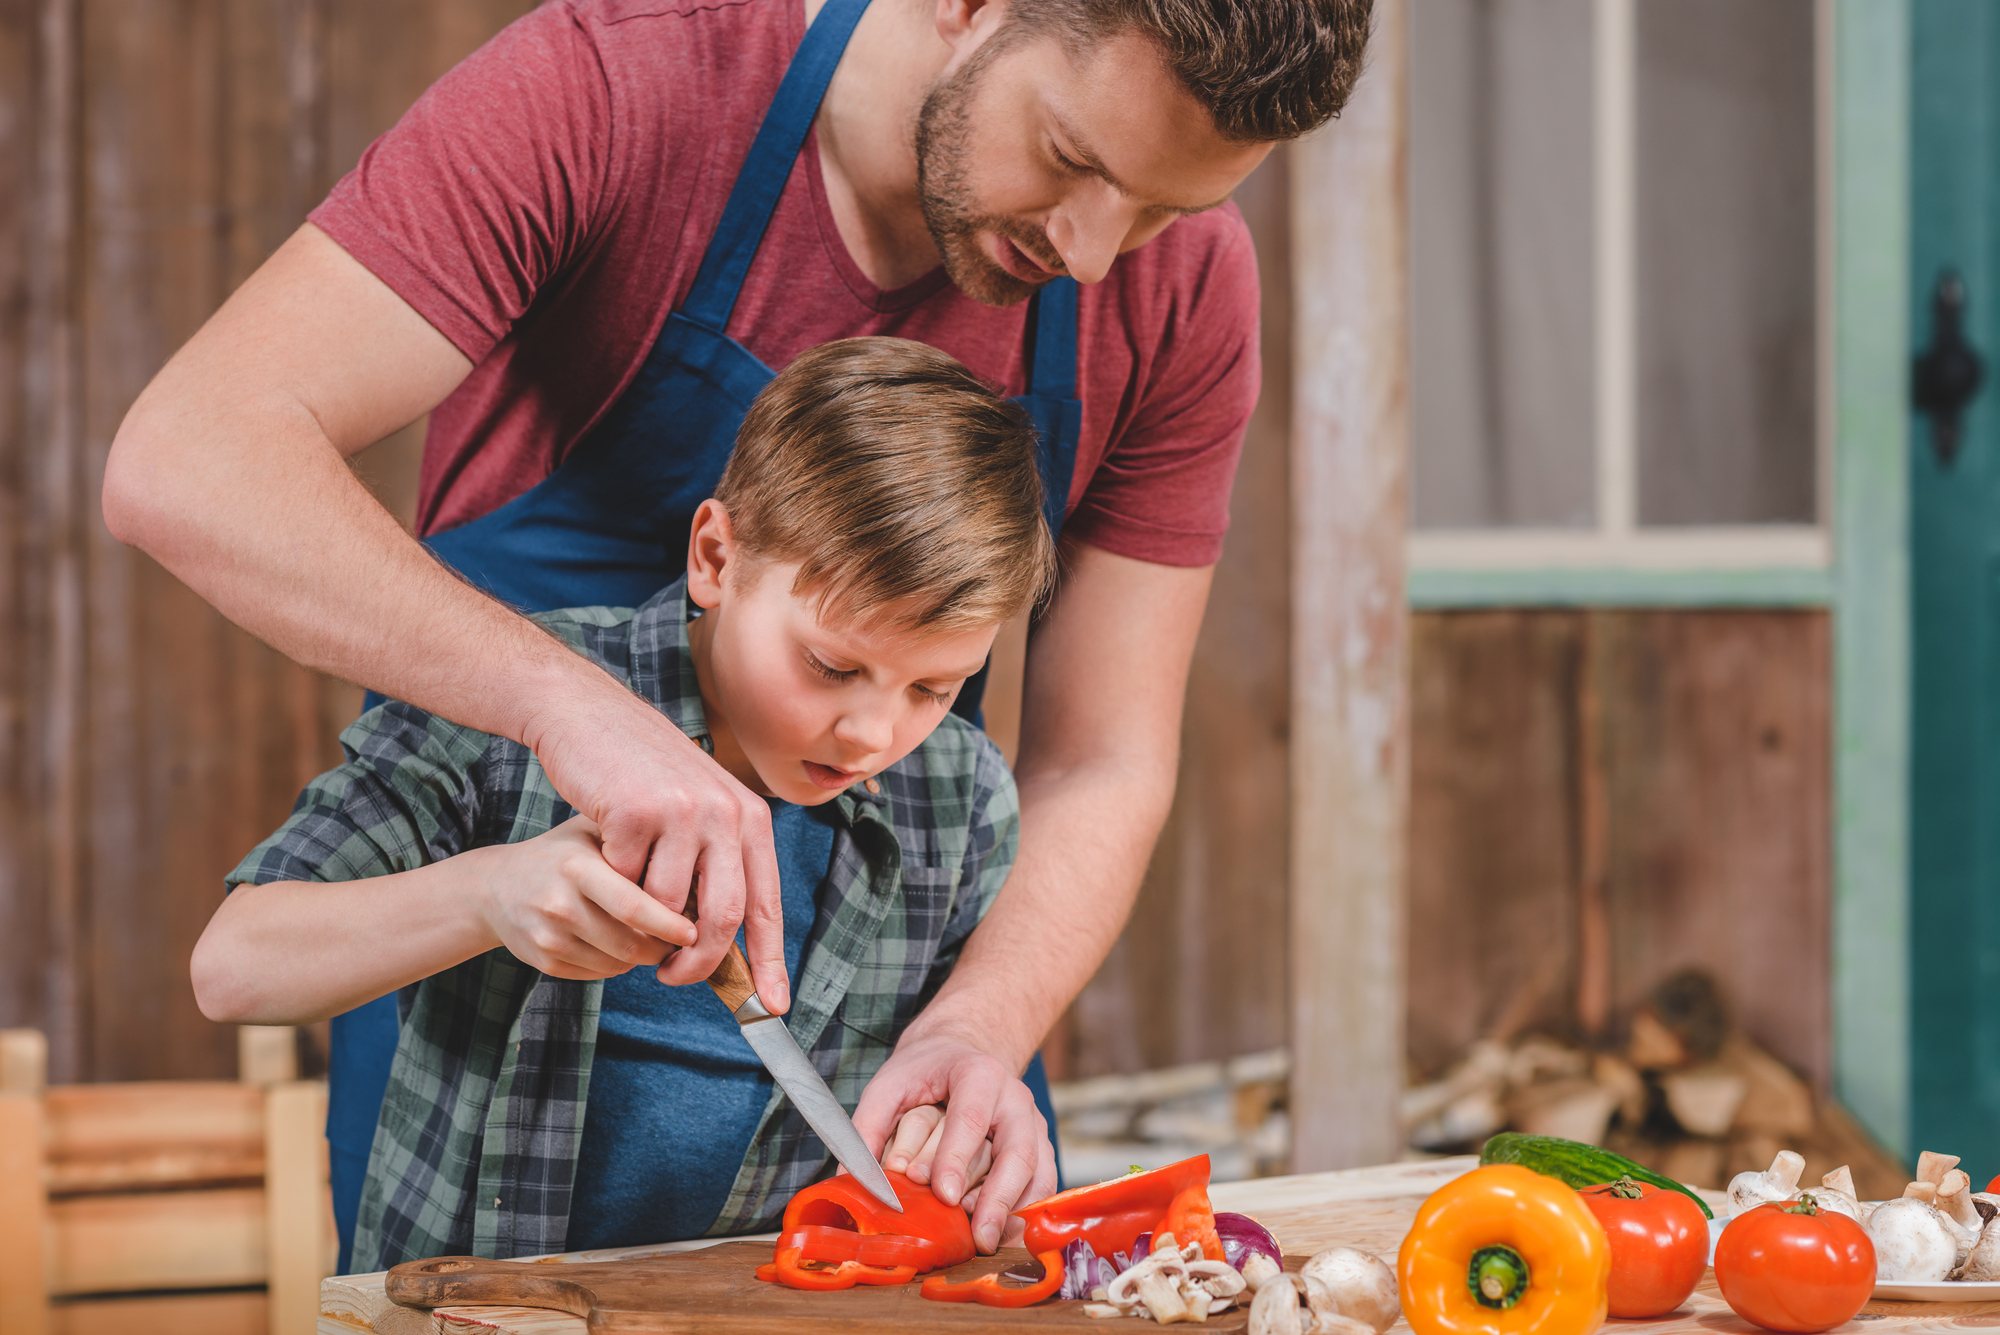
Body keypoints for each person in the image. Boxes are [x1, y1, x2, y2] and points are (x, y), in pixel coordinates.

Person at [105, 0, 1375, 1270]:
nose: (1096, 254)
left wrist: (977, 1029)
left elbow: (1099, 759)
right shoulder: (620, 86)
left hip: (894, 1021)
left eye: (1161, 208)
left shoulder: (1177, 291)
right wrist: (586, 718)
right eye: (1072, 159)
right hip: (511, 1046)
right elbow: (192, 458)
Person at [191, 338, 1058, 1268]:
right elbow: (233, 968)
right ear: (715, 558)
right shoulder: (508, 707)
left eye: (932, 689)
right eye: (832, 666)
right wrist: (490, 895)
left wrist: (954, 1127)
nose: (871, 734)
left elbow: (945, 1083)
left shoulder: (958, 799)